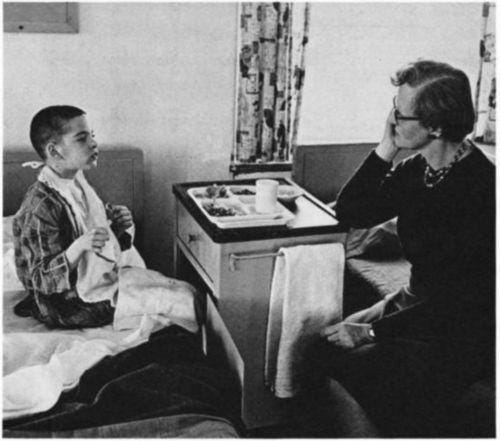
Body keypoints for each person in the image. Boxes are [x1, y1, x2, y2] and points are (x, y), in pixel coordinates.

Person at [307, 60, 495, 436]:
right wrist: (385, 149)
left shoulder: (479, 190)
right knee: (319, 347)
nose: (392, 119)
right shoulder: (417, 170)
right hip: (417, 306)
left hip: (460, 330)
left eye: (400, 113)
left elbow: (463, 300)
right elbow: (351, 212)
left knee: (350, 367)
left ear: (436, 126)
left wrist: (371, 331)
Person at [13, 105, 138, 328]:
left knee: (170, 296)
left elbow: (93, 227)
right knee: (164, 302)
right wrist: (79, 247)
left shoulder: (75, 182)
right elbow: (40, 278)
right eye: (81, 139)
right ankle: (34, 307)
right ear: (54, 151)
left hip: (87, 283)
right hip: (62, 304)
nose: (93, 143)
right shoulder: (40, 205)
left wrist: (117, 225)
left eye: (92, 135)